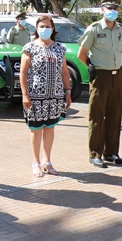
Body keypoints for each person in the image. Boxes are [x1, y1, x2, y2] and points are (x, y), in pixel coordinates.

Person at [77, 0, 122, 168]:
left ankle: (111, 152)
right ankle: (95, 153)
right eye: (109, 8)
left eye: (115, 9)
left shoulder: (121, 30)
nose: (112, 11)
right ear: (102, 10)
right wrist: (91, 66)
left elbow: (121, 50)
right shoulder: (93, 29)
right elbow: (81, 55)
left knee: (115, 116)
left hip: (117, 76)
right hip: (100, 77)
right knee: (97, 116)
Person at [20, 15, 72, 177]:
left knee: (50, 128)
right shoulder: (29, 48)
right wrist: (25, 95)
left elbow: (64, 71)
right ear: (36, 29)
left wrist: (67, 91)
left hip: (55, 97)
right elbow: (23, 72)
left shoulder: (59, 48)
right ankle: (35, 162)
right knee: (36, 130)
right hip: (35, 97)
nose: (44, 29)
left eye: (47, 26)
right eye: (41, 26)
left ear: (53, 28)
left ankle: (47, 161)